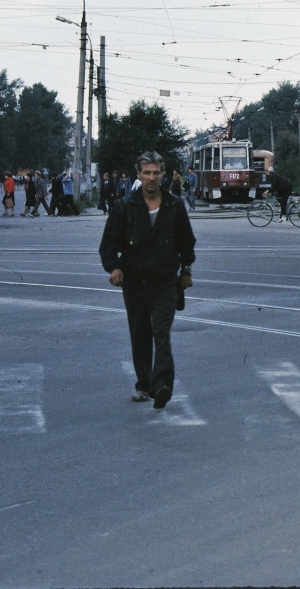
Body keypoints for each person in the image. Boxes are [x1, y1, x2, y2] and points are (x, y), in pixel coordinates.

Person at [100, 151, 196, 409]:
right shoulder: (125, 206)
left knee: (161, 331)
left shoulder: (174, 205)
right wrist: (114, 268)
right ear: (139, 175)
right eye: (147, 173)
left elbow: (187, 241)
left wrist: (186, 270)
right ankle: (143, 384)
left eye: (156, 172)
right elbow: (108, 242)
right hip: (135, 281)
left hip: (165, 281)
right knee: (140, 333)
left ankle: (162, 385)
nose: (152, 177)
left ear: (163, 174)